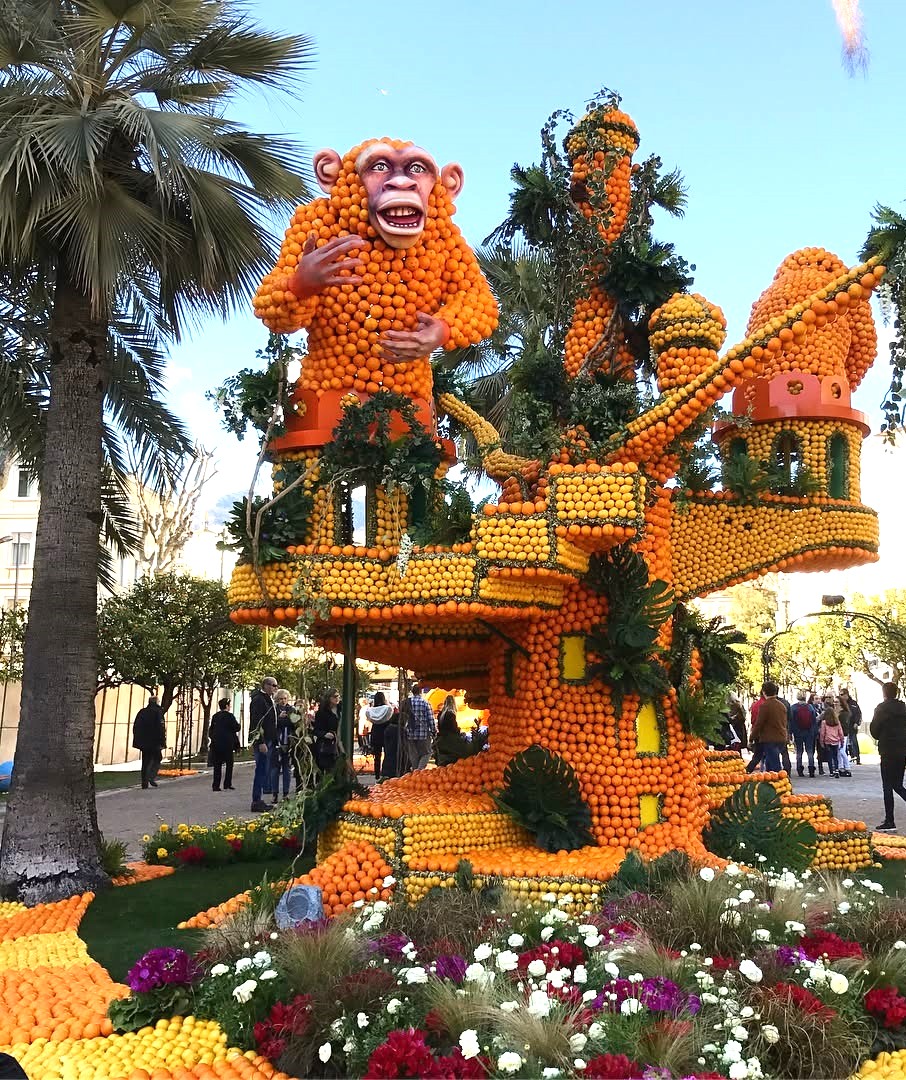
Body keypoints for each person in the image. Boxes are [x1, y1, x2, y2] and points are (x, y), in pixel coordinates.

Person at [870, 682, 906, 832]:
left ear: (884, 693)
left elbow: (874, 731)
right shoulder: (904, 708)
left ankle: (889, 819)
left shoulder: (881, 709)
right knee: (897, 784)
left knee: (888, 786)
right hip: (903, 750)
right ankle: (889, 819)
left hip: (887, 751)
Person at [248, 676, 278, 812]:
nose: (275, 688)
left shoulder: (267, 699)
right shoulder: (259, 700)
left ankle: (259, 799)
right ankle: (256, 801)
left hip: (269, 740)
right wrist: (260, 742)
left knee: (264, 770)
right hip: (263, 741)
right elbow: (256, 722)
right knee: (260, 770)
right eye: (273, 685)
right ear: (265, 685)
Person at [748, 681, 788, 773]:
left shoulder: (765, 706)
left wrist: (751, 738)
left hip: (769, 738)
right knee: (770, 763)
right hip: (781, 737)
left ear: (764, 692)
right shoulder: (781, 705)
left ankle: (781, 782)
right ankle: (772, 782)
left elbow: (759, 724)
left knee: (775, 766)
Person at [132, 695, 166, 790]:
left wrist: (138, 740)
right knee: (157, 758)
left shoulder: (142, 712)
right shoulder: (158, 712)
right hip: (155, 741)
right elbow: (161, 728)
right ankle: (151, 776)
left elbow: (136, 727)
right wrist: (162, 741)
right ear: (156, 702)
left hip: (144, 742)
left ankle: (144, 782)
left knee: (145, 761)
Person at [271, 689, 297, 803]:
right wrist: (281, 719)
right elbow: (272, 724)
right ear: (277, 699)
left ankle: (285, 793)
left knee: (287, 769)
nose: (283, 701)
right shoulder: (274, 710)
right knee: (275, 769)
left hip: (288, 742)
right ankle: (274, 793)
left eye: (285, 699)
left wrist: (284, 720)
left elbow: (294, 723)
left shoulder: (292, 710)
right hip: (276, 742)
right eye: (281, 699)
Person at [208, 697, 240, 792]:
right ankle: (227, 784)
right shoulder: (230, 716)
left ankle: (216, 785)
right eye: (229, 705)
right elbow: (236, 727)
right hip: (227, 744)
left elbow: (211, 729)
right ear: (226, 706)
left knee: (217, 765)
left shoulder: (215, 716)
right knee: (229, 764)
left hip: (216, 744)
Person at [406, 684, 436, 770]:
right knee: (427, 753)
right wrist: (433, 731)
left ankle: (415, 773)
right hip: (423, 734)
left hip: (410, 733)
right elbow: (430, 719)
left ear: (412, 691)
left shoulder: (407, 703)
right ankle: (419, 771)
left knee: (414, 755)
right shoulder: (425, 703)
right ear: (421, 691)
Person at [366, 692, 394, 781]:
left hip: (375, 732)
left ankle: (377, 774)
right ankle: (386, 772)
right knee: (388, 753)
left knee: (377, 756)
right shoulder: (388, 709)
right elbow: (390, 717)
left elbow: (369, 719)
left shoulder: (369, 711)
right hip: (386, 732)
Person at [790, 691, 818, 778]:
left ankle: (799, 769)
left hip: (798, 732)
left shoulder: (793, 708)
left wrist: (791, 732)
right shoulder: (810, 707)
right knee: (810, 751)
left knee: (799, 751)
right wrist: (814, 732)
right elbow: (814, 720)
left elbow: (791, 721)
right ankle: (811, 769)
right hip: (809, 732)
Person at [313, 688, 341, 772]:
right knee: (329, 770)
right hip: (327, 746)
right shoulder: (322, 712)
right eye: (335, 696)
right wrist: (325, 734)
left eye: (338, 696)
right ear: (329, 698)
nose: (337, 698)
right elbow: (316, 730)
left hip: (340, 744)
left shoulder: (341, 709)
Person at [818, 697, 846, 778]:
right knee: (835, 757)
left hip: (828, 742)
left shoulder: (824, 722)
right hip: (836, 741)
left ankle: (831, 771)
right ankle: (837, 770)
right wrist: (842, 741)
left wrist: (821, 741)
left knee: (830, 757)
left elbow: (823, 733)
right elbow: (840, 732)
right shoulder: (837, 722)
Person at [840, 688, 862, 765]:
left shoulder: (853, 703)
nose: (841, 696)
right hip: (843, 726)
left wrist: (857, 723)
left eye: (842, 694)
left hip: (852, 725)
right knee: (844, 743)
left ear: (846, 695)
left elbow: (858, 714)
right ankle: (845, 758)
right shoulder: (840, 703)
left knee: (853, 741)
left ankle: (857, 757)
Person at [835, 692, 853, 777]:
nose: (835, 704)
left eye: (837, 702)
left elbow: (844, 725)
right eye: (834, 702)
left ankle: (847, 767)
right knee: (838, 751)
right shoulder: (835, 712)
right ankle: (840, 767)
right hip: (836, 734)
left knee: (842, 750)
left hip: (843, 734)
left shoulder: (844, 713)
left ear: (841, 704)